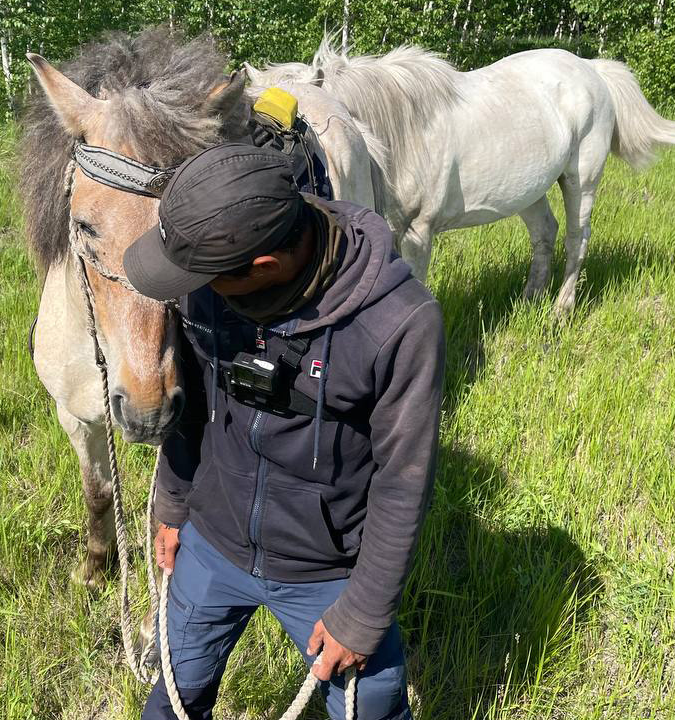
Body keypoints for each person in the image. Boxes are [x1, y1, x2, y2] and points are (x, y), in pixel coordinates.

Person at [121, 143, 445, 720]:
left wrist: (364, 614)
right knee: (173, 693)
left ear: (264, 266)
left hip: (328, 570)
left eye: (201, 277)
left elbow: (404, 482)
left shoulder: (399, 324)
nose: (185, 287)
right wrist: (172, 505)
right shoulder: (206, 280)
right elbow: (189, 404)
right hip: (211, 543)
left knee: (373, 706)